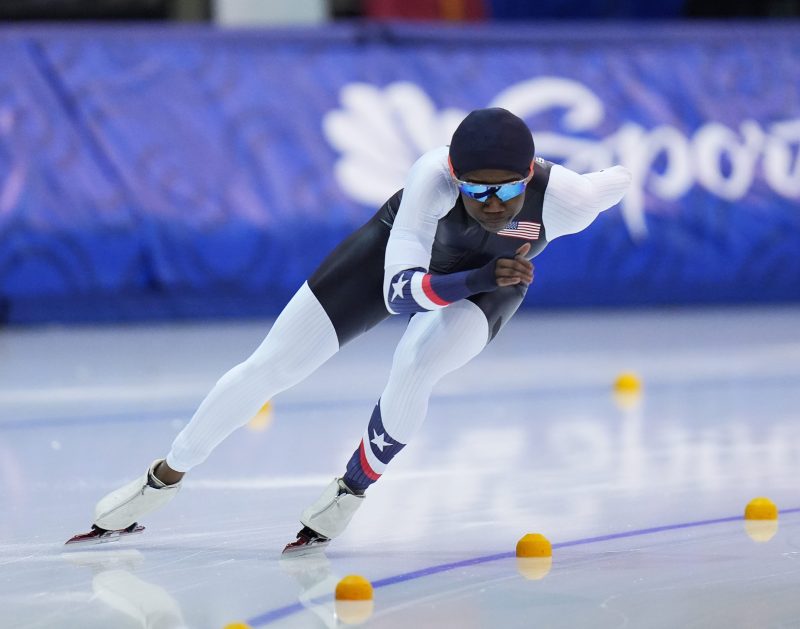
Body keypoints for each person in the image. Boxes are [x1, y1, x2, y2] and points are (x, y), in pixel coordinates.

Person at [67, 108, 632, 552]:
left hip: (492, 287)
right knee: (272, 365)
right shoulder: (431, 181)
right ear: (454, 176)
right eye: (475, 189)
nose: (491, 204)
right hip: (409, 264)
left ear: (529, 174)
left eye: (506, 190)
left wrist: (489, 279)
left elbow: (619, 178)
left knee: (416, 365)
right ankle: (161, 480)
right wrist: (482, 274)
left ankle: (350, 491)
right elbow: (399, 294)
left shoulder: (570, 200)